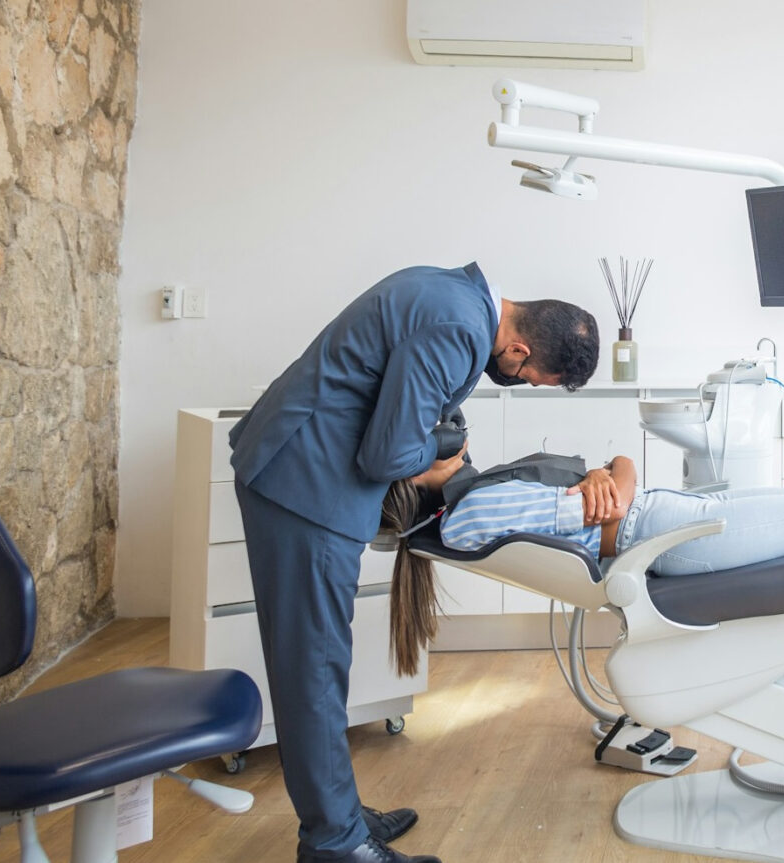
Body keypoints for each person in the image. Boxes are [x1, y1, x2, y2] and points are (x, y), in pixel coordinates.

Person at [228, 262, 599, 863]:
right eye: (529, 378)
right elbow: (388, 456)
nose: (520, 382)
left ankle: (340, 815)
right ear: (519, 349)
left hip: (301, 470)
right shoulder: (459, 330)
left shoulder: (453, 292)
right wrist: (445, 449)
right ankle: (334, 844)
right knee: (313, 669)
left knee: (322, 663)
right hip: (303, 485)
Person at [375, 453, 784, 676]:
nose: (446, 430)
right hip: (667, 535)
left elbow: (613, 481)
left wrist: (610, 474)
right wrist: (610, 474)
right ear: (410, 474)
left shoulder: (471, 498)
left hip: (667, 516)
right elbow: (612, 497)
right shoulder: (471, 510)